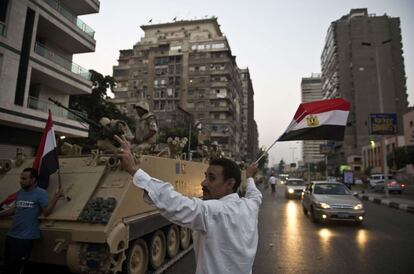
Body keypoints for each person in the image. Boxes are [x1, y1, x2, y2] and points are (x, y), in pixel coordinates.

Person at [114, 135, 262, 274]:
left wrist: (134, 170)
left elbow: (174, 202)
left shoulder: (214, 212)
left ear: (230, 184)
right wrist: (249, 177)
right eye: (205, 176)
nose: (203, 183)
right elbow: (255, 195)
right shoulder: (251, 206)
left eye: (211, 178)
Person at [0, 168, 64, 274]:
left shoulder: (40, 193)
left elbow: (46, 212)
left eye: (24, 178)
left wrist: (56, 198)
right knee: (8, 266)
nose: (21, 181)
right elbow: (15, 209)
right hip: (12, 235)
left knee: (17, 268)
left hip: (25, 237)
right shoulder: (20, 192)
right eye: (21, 178)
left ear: (33, 180)